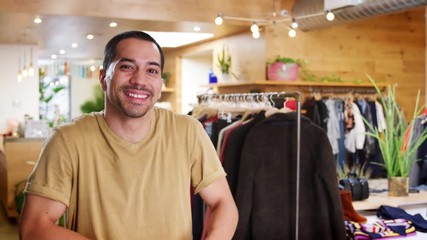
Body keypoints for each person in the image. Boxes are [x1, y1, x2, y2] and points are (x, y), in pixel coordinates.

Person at [19, 30, 238, 240]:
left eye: (151, 70)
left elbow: (222, 203)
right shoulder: (67, 140)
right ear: (104, 77)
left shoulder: (187, 131)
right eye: (127, 66)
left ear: (160, 84)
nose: (140, 80)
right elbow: (34, 228)